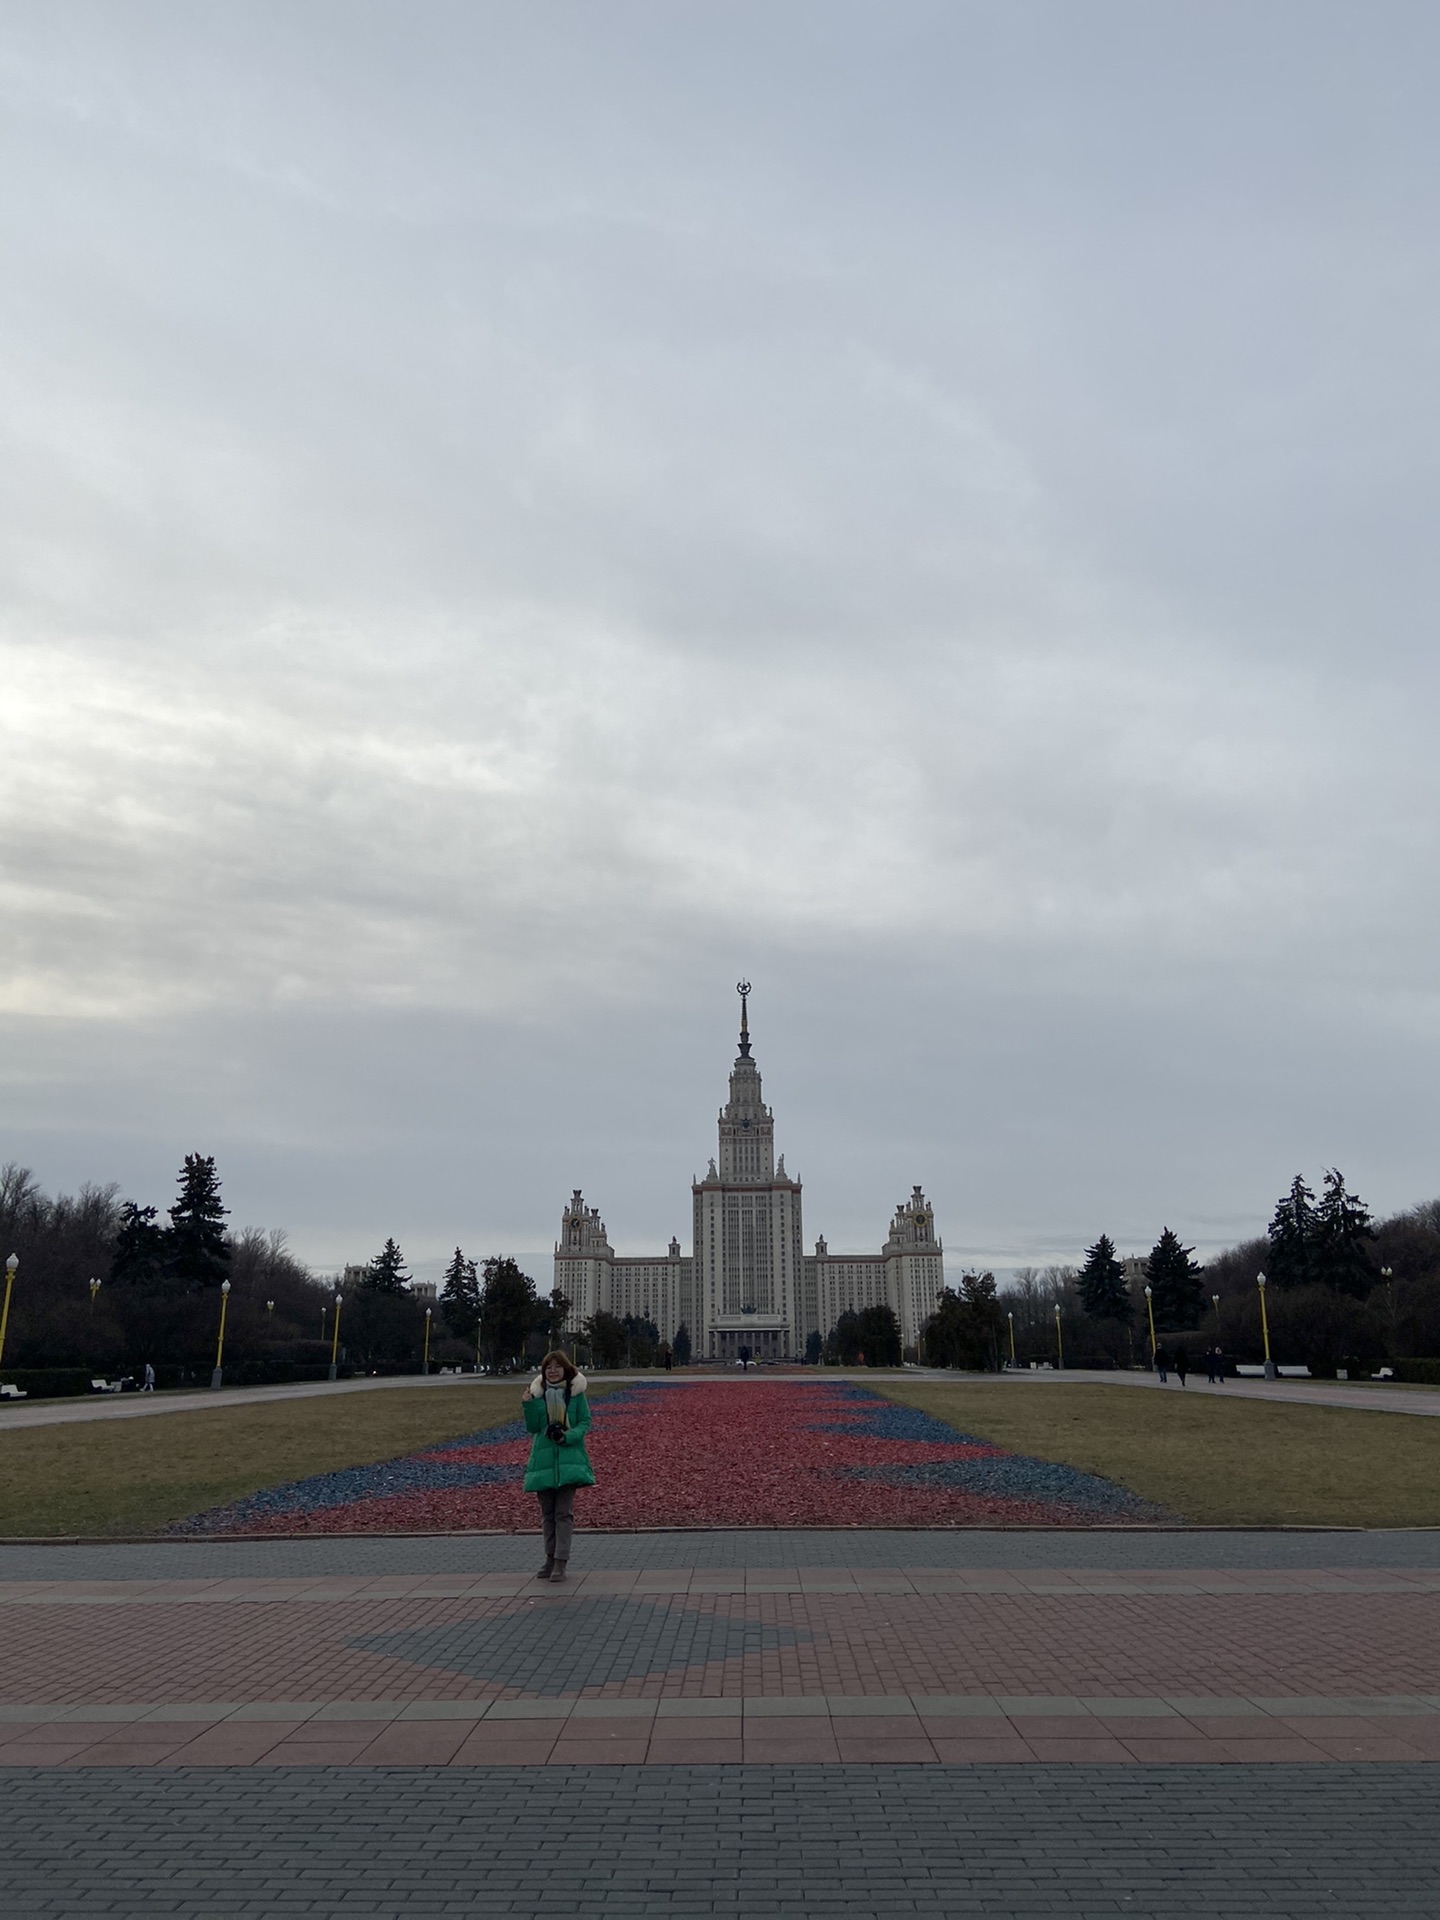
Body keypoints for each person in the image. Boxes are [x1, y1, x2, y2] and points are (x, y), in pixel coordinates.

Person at [522, 1351, 595, 1583]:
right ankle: (549, 1558)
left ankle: (561, 1562)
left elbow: (585, 1422)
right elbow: (533, 1427)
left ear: (566, 1369)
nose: (553, 1371)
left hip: (568, 1461)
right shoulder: (538, 1395)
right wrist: (528, 1405)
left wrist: (568, 1436)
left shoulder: (574, 1395)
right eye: (548, 1367)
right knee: (547, 1515)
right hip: (543, 1462)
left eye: (557, 1366)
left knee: (563, 1514)